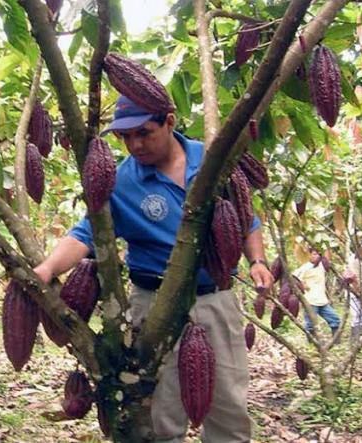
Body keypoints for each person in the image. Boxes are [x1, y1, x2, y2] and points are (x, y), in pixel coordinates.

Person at [33, 95, 274, 442]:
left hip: (213, 299)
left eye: (143, 133)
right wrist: (47, 268)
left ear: (170, 122)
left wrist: (258, 262)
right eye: (125, 137)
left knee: (228, 409)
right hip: (152, 304)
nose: (135, 144)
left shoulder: (212, 160)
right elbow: (86, 234)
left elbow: (246, 220)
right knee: (162, 412)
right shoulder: (120, 181)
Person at [291, 247, 341, 339]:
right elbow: (294, 278)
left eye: (317, 254)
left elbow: (327, 257)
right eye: (313, 254)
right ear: (309, 255)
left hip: (322, 301)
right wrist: (303, 285)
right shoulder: (306, 267)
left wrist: (326, 244)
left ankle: (337, 342)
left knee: (335, 320)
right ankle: (312, 344)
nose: (314, 256)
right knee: (310, 325)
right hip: (310, 301)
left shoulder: (321, 265)